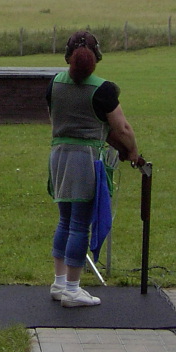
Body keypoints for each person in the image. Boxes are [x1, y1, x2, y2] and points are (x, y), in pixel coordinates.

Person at [47, 30, 140, 307]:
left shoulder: (53, 84)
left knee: (65, 221)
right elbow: (122, 129)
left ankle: (59, 283)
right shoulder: (104, 89)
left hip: (59, 156)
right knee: (79, 225)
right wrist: (133, 152)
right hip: (85, 159)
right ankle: (72, 290)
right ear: (96, 57)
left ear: (68, 56)